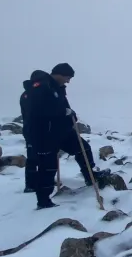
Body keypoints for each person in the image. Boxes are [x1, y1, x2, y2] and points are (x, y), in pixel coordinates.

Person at [23, 63, 106, 209]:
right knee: (48, 166)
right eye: (67, 77)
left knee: (83, 148)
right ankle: (43, 201)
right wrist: (63, 112)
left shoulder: (56, 88)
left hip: (62, 131)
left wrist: (69, 112)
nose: (68, 81)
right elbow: (41, 110)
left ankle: (89, 176)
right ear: (60, 74)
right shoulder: (41, 87)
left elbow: (60, 106)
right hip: (45, 133)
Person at [19, 70, 45, 193]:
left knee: (36, 156)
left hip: (31, 129)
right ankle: (31, 184)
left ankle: (36, 182)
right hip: (33, 130)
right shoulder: (29, 94)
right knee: (34, 158)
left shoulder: (27, 94)